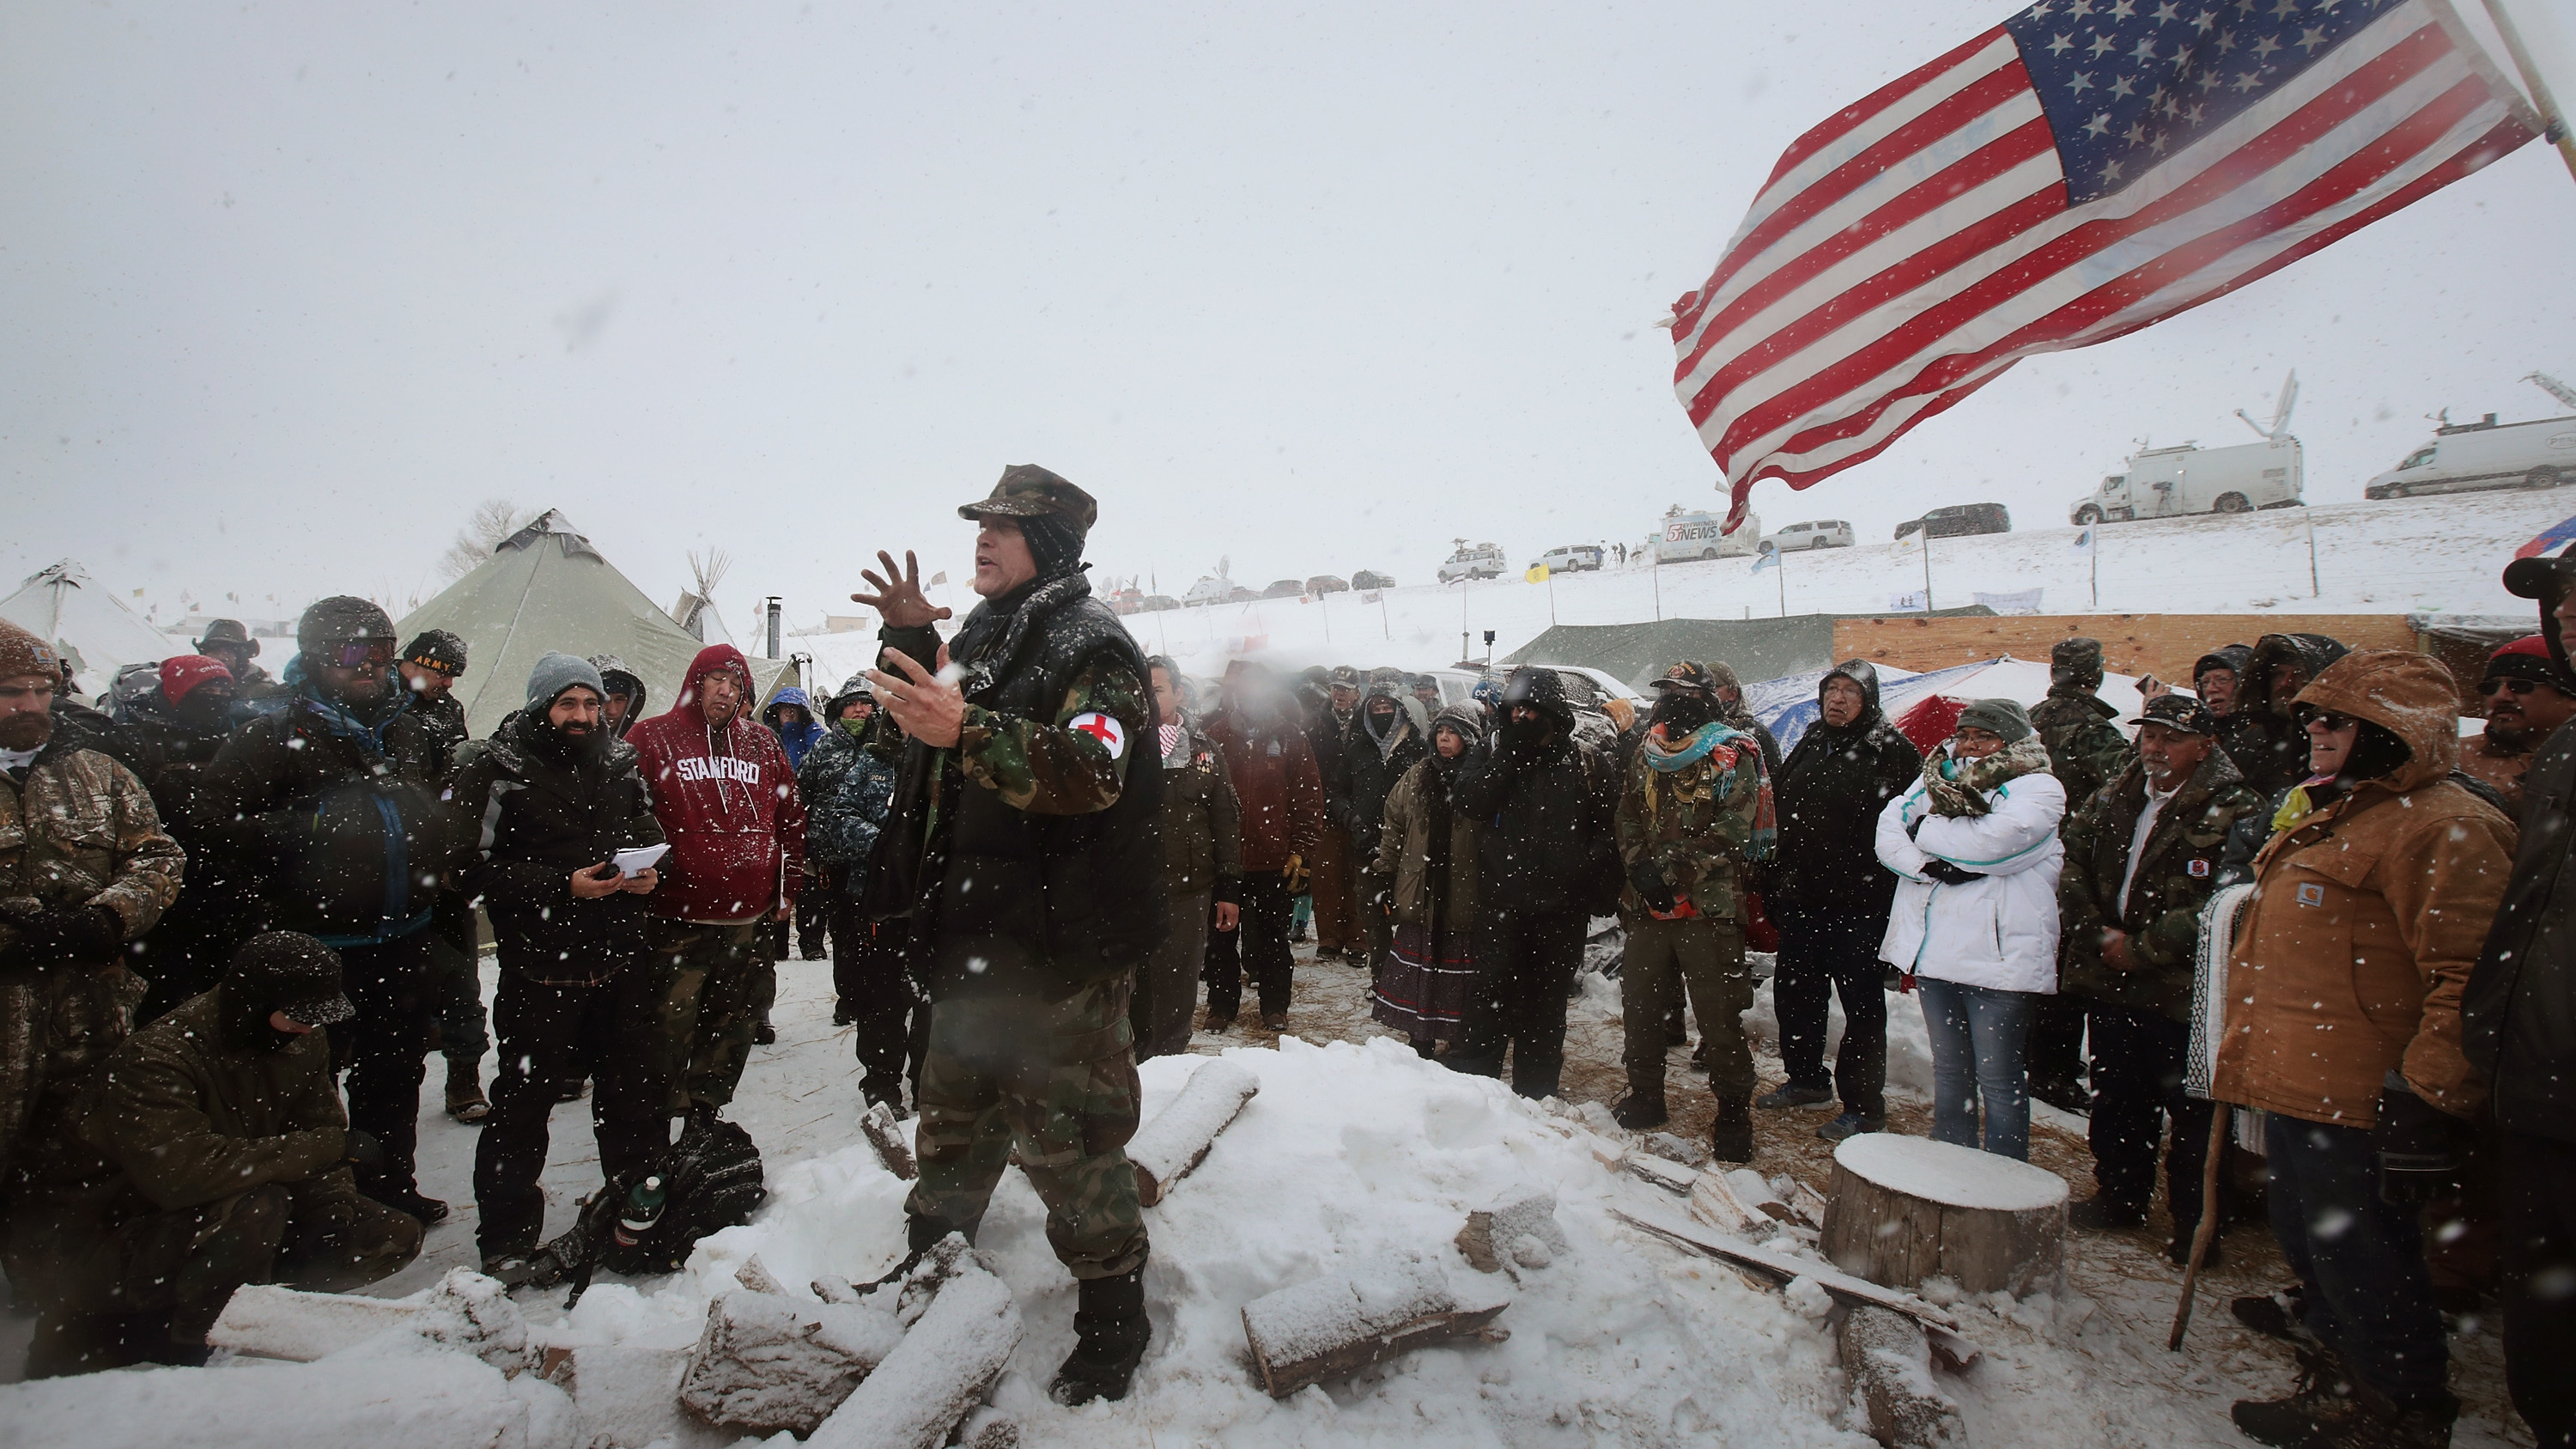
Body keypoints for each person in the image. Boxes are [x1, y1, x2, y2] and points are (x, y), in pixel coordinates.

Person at [854, 465, 1164, 1406]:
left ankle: (1114, 1317)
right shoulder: (995, 631)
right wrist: (914, 637)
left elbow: (1090, 771)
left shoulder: (1093, 644)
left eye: (1006, 526)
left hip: (1056, 952)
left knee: (1068, 1145)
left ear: (1054, 547)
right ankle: (928, 1271)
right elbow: (940, 713)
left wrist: (973, 727)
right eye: (981, 521)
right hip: (977, 940)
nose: (983, 537)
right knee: (951, 1121)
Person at [2215, 649, 2512, 1449]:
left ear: (2391, 732)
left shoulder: (2446, 824)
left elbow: (2472, 976)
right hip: (2300, 1080)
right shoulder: (2339, 811)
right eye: (2311, 716)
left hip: (2365, 1094)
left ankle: (2395, 1406)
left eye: (2335, 719)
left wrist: (2426, 1091)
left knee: (2367, 1258)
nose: (2312, 729)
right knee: (2312, 1238)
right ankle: (2339, 1356)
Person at [17, 933, 422, 1375]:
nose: (309, 1027)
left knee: (388, 1233)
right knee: (260, 1206)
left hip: (217, 1216)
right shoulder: (157, 1058)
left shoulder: (301, 1041)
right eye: (299, 1016)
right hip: (110, 1239)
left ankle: (253, 1309)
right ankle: (198, 1353)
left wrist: (331, 1208)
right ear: (254, 1004)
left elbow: (316, 1130)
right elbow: (184, 1175)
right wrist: (325, 1149)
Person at [191, 597, 461, 1223]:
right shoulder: (272, 733)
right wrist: (306, 825)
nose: (371, 665)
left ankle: (387, 1183)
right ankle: (313, 1203)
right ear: (317, 656)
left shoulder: (408, 728)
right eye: (353, 652)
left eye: (383, 652)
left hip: (402, 935)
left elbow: (436, 805)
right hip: (316, 944)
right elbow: (205, 824)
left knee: (393, 1071)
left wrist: (435, 832)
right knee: (304, 1081)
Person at [446, 654, 670, 1275]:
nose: (583, 715)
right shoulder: (498, 767)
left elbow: (647, 826)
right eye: (568, 703)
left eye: (592, 703)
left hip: (618, 962)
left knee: (633, 1101)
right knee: (521, 1108)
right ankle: (507, 1241)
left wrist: (652, 872)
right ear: (541, 704)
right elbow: (464, 867)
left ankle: (639, 1220)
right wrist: (558, 886)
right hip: (542, 969)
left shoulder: (619, 760)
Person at [2057, 695, 2264, 1263]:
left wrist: (2144, 948)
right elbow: (2070, 858)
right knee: (2119, 1097)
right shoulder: (2116, 793)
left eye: (2170, 738)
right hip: (2110, 977)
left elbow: (2229, 901)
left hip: (2184, 991)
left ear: (2205, 744)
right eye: (2149, 736)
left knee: (2194, 1112)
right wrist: (2097, 932)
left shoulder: (2237, 806)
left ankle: (2196, 1222)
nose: (2155, 748)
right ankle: (2120, 1196)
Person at [0, 618, 184, 1227]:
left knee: (84, 1160)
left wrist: (109, 915)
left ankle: (59, 1289)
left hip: (90, 1012)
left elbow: (159, 856)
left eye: (39, 688)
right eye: (10, 690)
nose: (28, 703)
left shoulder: (98, 773)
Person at [2469, 543, 2576, 1449]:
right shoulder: (2561, 759)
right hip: (2533, 1076)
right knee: (2543, 1318)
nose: (2572, 610)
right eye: (2564, 598)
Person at [1874, 699, 2066, 1161]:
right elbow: (1887, 827)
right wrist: (1925, 867)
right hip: (1936, 949)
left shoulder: (2039, 788)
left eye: (1985, 736)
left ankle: (2004, 1173)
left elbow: (1995, 845)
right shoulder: (1938, 776)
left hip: (1998, 958)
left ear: (2013, 741)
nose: (1971, 745)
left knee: (1998, 1075)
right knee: (1951, 1069)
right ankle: (1951, 1160)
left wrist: (1925, 831)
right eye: (1965, 735)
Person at [625, 642, 805, 1131]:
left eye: (735, 683)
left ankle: (704, 1113)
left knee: (734, 1023)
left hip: (747, 920)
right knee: (669, 1025)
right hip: (676, 919)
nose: (726, 692)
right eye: (716, 680)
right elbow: (627, 814)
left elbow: (790, 820)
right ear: (695, 683)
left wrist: (787, 888)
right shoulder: (653, 738)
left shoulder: (763, 744)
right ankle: (657, 1124)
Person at [1612, 663, 1767, 1159]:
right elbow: (1629, 812)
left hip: (1706, 905)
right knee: (1640, 1007)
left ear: (1706, 697)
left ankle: (1733, 1113)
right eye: (1668, 691)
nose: (1675, 699)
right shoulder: (1649, 749)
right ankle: (1646, 1095)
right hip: (1647, 904)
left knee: (1719, 1015)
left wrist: (1673, 873)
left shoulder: (1732, 751)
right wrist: (1641, 869)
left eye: (1686, 692)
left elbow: (1735, 828)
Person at [1765, 660, 1918, 1141]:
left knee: (1863, 1009)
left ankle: (1865, 1107)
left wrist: (1883, 895)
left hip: (1859, 907)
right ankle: (1807, 1080)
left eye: (1850, 691)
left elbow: (1909, 829)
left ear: (1868, 699)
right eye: (1831, 688)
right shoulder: (1812, 741)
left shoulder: (1892, 751)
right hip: (1803, 899)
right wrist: (1775, 875)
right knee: (1795, 996)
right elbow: (1783, 808)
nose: (1837, 698)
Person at [1448, 667, 1616, 1099]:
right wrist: (1507, 758)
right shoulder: (1494, 754)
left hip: (1561, 909)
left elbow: (1608, 827)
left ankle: (1536, 1098)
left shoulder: (1586, 760)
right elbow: (1471, 801)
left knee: (1546, 1006)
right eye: (1514, 710)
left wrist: (1588, 872)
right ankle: (1476, 1094)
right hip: (1502, 904)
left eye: (1529, 709)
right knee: (1489, 998)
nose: (1520, 718)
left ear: (1552, 712)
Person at [103, 655, 252, 1023]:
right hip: (165, 893)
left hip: (228, 888)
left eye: (223, 689)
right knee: (166, 1005)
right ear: (176, 691)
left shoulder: (239, 736)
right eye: (205, 689)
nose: (216, 696)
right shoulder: (138, 743)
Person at [797, 672, 915, 1110]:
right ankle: (882, 1084)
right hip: (876, 894)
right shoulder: (871, 761)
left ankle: (926, 1079)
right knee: (880, 994)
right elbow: (840, 816)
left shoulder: (947, 760)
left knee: (931, 999)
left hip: (934, 900)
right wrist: (889, 846)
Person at [2025, 637, 2130, 1114]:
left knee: (2046, 957)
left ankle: (2042, 1056)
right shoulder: (2092, 729)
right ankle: (2054, 1070)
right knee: (2068, 969)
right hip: (2072, 859)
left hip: (2029, 855)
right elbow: (2130, 783)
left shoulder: (2031, 719)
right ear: (2095, 676)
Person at [395, 628, 487, 1124]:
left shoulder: (445, 709)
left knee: (461, 975)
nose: (447, 684)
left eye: (453, 676)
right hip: (390, 869)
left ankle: (463, 1076)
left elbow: (456, 771)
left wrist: (462, 770)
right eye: (441, 672)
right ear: (415, 662)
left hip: (445, 860)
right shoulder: (380, 708)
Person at [1202, 666, 1324, 1031]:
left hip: (1274, 860)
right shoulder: (1214, 736)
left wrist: (1301, 850)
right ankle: (1221, 1007)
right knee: (1221, 940)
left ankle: (1275, 1006)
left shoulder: (1291, 737)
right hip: (1225, 861)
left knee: (1273, 940)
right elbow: (1202, 799)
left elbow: (1308, 800)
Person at [1136, 656, 1242, 1060]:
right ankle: (1132, 1069)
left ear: (1179, 694)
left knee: (1177, 988)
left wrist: (1229, 888)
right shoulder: (1122, 746)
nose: (1148, 697)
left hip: (1187, 892)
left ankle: (1168, 1064)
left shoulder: (1204, 751)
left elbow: (1226, 823)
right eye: (1143, 688)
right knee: (1132, 988)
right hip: (1132, 890)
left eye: (1158, 689)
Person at [1371, 705, 1485, 1056]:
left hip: (1463, 890)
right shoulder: (1418, 775)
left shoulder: (1480, 777)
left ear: (1467, 739)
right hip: (1420, 887)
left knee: (1457, 969)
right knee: (1421, 962)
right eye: (1439, 732)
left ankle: (1458, 1037)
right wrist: (1385, 870)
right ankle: (1420, 1034)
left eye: (1452, 733)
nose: (1444, 740)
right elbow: (1394, 823)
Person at [1334, 679, 1430, 975]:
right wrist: (1351, 818)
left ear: (1400, 709)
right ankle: (1381, 976)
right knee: (1372, 916)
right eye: (1375, 707)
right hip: (1365, 848)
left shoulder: (1419, 749)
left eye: (1387, 706)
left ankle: (1411, 975)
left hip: (1410, 850)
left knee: (1411, 914)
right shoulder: (1356, 748)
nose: (1381, 711)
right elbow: (1335, 792)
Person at [2460, 636, 2576, 813]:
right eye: (2490, 687)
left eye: (2520, 686)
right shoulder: (2453, 759)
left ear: (2571, 697)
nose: (2500, 696)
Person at [759, 685, 829, 965]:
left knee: (811, 884)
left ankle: (812, 942)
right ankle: (777, 945)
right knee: (778, 881)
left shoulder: (816, 738)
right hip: (778, 821)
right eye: (783, 708)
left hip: (810, 822)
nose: (788, 714)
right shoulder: (768, 739)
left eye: (793, 709)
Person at [2233, 631, 2351, 798]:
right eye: (2278, 674)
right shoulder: (2245, 744)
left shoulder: (2344, 742)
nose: (2285, 683)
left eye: (2300, 674)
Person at [1306, 665, 1364, 960]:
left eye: (1345, 689)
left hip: (1359, 811)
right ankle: (1329, 938)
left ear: (1357, 693)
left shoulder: (1368, 722)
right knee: (1326, 878)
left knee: (1357, 876)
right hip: (1326, 810)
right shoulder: (1316, 722)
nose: (1339, 694)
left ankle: (1358, 940)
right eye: (1335, 689)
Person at [191, 618, 283, 703]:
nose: (222, 657)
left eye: (229, 651)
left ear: (241, 656)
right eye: (215, 651)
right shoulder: (191, 686)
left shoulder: (262, 690)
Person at [589, 654, 648, 739]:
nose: (612, 711)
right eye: (605, 700)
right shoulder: (568, 741)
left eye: (619, 700)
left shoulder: (642, 740)